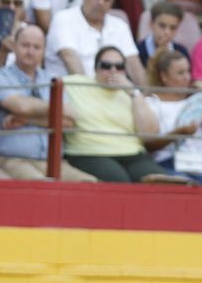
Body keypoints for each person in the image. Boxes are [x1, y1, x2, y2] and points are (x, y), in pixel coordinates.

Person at [0, 23, 97, 180]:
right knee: (43, 187)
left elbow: (68, 121)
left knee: (91, 185)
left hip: (55, 163)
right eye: (25, 45)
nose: (30, 51)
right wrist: (57, 107)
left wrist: (27, 119)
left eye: (37, 47)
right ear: (14, 46)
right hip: (12, 160)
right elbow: (21, 106)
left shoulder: (52, 79)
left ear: (43, 51)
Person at [63, 44, 178, 182]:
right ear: (95, 68)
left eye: (119, 67)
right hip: (89, 152)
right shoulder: (75, 83)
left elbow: (150, 132)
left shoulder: (131, 93)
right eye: (106, 66)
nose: (113, 71)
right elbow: (47, 89)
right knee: (119, 181)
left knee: (162, 183)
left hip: (132, 153)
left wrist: (134, 92)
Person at [144, 49, 202, 185]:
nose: (187, 77)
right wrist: (178, 133)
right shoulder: (151, 103)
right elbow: (149, 144)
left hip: (198, 167)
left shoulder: (193, 102)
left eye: (188, 71)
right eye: (180, 73)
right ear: (164, 77)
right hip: (167, 164)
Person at [43, 0, 132, 79]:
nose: (101, 2)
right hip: (73, 93)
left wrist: (144, 94)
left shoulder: (120, 25)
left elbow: (134, 66)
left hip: (113, 92)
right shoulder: (63, 19)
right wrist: (91, 93)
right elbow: (71, 61)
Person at [135, 0, 189, 81]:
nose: (167, 32)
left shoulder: (181, 51)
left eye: (173, 28)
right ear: (151, 24)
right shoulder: (138, 50)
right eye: (162, 26)